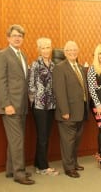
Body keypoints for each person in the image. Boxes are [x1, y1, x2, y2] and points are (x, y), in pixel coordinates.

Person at [0, 24, 35, 185]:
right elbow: (0, 81)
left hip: (22, 106)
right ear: (8, 38)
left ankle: (11, 169)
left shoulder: (23, 55)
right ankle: (19, 173)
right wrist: (6, 104)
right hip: (10, 105)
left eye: (20, 35)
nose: (17, 38)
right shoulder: (2, 55)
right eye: (14, 35)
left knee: (16, 140)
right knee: (17, 139)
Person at [52, 41, 89, 178]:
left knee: (76, 140)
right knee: (68, 142)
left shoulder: (80, 67)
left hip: (80, 112)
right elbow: (59, 92)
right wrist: (64, 111)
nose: (73, 52)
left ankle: (73, 163)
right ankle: (68, 168)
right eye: (69, 50)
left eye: (75, 50)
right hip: (68, 113)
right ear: (65, 52)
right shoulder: (59, 68)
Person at [28, 37, 59, 176]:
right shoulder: (35, 64)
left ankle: (37, 163)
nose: (46, 50)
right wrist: (34, 101)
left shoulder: (53, 65)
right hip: (40, 106)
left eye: (48, 47)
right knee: (42, 136)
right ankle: (43, 167)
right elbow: (31, 85)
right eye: (43, 47)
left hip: (51, 105)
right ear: (39, 50)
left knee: (45, 136)